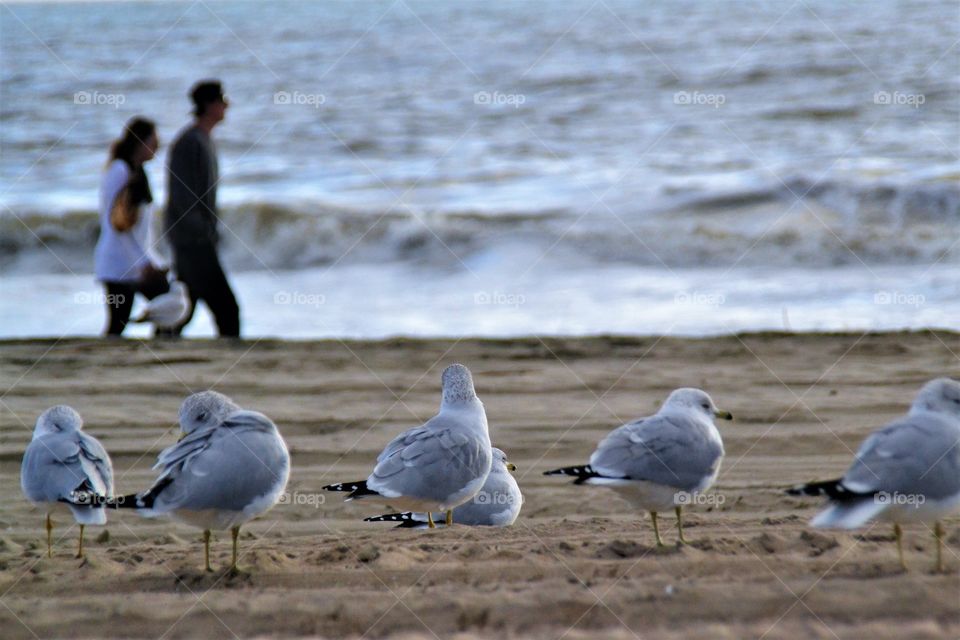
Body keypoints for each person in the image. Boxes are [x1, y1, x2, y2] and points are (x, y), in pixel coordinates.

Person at [164, 79, 240, 337]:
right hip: (193, 241)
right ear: (209, 105)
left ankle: (161, 348)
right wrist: (203, 232)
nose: (227, 105)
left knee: (186, 305)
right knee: (227, 309)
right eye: (222, 100)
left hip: (194, 238)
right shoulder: (191, 142)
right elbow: (182, 196)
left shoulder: (201, 139)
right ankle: (231, 361)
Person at [94, 117, 170, 336]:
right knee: (118, 322)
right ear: (141, 142)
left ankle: (158, 353)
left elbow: (140, 229)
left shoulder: (138, 171)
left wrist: (151, 259)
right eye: (154, 143)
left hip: (137, 261)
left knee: (166, 307)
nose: (157, 148)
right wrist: (144, 261)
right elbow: (117, 223)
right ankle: (104, 363)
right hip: (118, 263)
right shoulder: (120, 170)